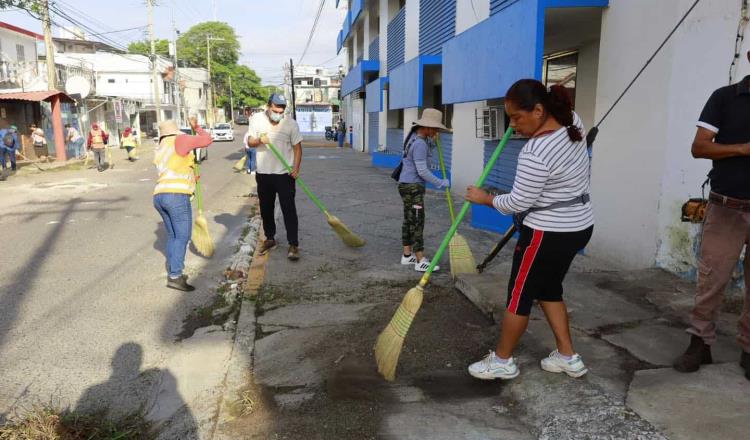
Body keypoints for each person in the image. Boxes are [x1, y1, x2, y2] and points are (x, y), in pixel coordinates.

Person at [464, 79, 593, 380]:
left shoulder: (535, 152)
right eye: (509, 118)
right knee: (549, 288)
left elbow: (517, 202)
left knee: (519, 295)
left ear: (538, 110)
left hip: (546, 233)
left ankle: (502, 361)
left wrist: (485, 198)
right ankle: (567, 356)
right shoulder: (571, 119)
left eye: (517, 118)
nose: (512, 126)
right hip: (579, 226)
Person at [673, 50, 750, 380]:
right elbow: (699, 146)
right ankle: (700, 343)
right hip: (727, 206)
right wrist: (742, 149)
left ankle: (748, 348)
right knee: (711, 280)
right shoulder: (726, 97)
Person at [153, 117, 212, 292]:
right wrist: (196, 127)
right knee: (183, 237)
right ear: (175, 131)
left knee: (173, 237)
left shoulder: (162, 147)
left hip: (160, 196)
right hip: (176, 197)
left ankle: (174, 272)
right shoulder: (180, 139)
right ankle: (175, 276)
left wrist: (191, 177)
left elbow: (174, 169)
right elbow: (207, 140)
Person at [244, 93, 304, 261]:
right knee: (266, 209)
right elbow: (250, 142)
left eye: (282, 109)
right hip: (263, 173)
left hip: (285, 174)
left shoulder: (290, 124)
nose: (279, 111)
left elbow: (298, 148)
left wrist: (296, 168)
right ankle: (270, 238)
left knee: (289, 210)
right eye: (276, 108)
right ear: (268, 106)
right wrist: (259, 140)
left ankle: (293, 244)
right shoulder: (256, 119)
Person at [397, 109, 450, 272]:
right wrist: (441, 182)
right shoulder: (420, 143)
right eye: (434, 129)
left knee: (409, 219)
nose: (436, 131)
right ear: (426, 127)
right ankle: (420, 259)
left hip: (405, 184)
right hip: (413, 187)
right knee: (418, 221)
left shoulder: (414, 137)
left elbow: (424, 151)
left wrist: (433, 141)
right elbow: (423, 171)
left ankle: (407, 255)